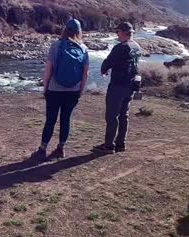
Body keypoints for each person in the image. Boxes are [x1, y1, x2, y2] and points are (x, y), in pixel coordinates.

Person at [31, 19, 89, 160]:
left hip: (54, 90)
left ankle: (42, 149)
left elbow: (48, 70)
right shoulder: (83, 48)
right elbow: (85, 73)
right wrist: (80, 90)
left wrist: (45, 88)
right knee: (66, 119)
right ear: (79, 32)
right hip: (73, 91)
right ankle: (61, 149)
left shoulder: (56, 46)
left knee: (50, 119)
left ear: (64, 30)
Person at [92, 22, 142, 154]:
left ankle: (109, 146)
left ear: (123, 32)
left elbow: (108, 62)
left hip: (118, 86)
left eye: (117, 32)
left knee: (112, 116)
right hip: (130, 85)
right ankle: (120, 144)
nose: (116, 35)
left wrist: (104, 70)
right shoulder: (137, 46)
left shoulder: (120, 47)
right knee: (124, 115)